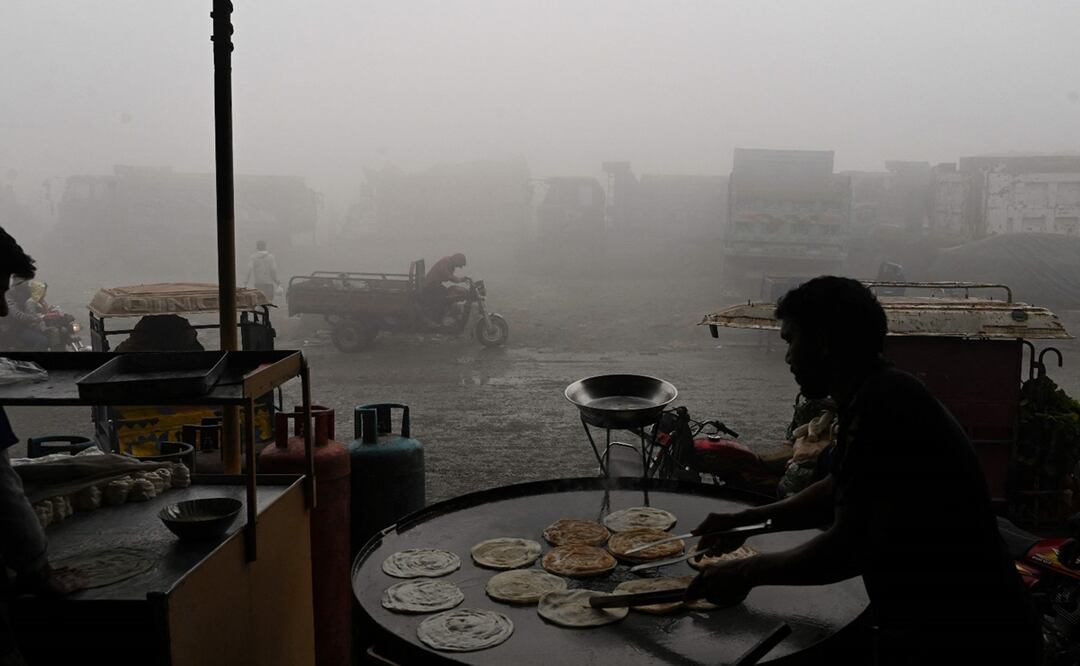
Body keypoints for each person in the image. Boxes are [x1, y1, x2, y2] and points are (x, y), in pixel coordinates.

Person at [686, 276, 1042, 665]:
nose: (786, 357)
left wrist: (744, 573)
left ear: (823, 341)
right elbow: (834, 489)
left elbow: (849, 547)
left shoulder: (885, 405)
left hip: (970, 637)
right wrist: (746, 522)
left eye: (790, 340)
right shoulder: (875, 394)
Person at [0, 228, 82, 665]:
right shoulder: (18, 302)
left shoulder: (31, 297)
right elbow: (3, 491)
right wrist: (37, 568)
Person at [421, 253, 467, 323]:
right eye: (460, 264)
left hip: (435, 285)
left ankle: (448, 315)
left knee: (450, 293)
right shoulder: (446, 261)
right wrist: (459, 280)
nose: (459, 267)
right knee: (445, 298)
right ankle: (436, 320)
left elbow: (449, 276)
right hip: (430, 286)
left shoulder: (449, 263)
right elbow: (446, 275)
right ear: (457, 259)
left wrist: (461, 279)